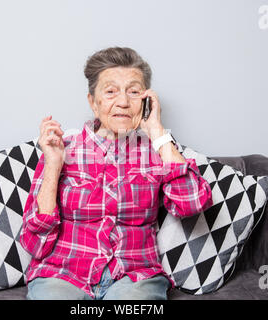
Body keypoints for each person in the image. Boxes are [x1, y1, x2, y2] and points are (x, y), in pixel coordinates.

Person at [20, 46, 213, 300]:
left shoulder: (157, 150)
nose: (123, 101)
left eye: (134, 92)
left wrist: (156, 130)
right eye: (111, 91)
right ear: (93, 102)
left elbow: (192, 203)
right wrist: (54, 166)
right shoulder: (61, 149)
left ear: (146, 100)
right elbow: (36, 243)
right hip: (63, 275)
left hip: (135, 278)